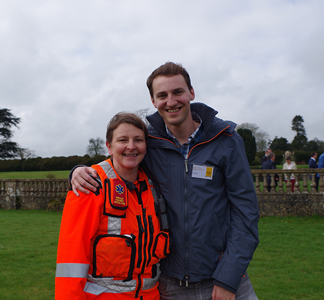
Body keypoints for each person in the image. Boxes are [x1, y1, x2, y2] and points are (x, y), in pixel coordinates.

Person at [70, 62, 259, 300]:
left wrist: (228, 279)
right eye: (162, 95)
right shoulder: (149, 143)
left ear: (191, 92)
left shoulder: (227, 141)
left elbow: (246, 214)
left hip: (226, 281)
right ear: (153, 101)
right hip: (172, 287)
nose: (170, 101)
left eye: (177, 92)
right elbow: (120, 161)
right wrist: (78, 171)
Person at [55, 112, 170, 299]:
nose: (131, 147)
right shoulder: (90, 185)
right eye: (123, 140)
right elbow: (71, 262)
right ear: (109, 146)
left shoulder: (153, 188)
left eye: (138, 140)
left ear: (146, 146)